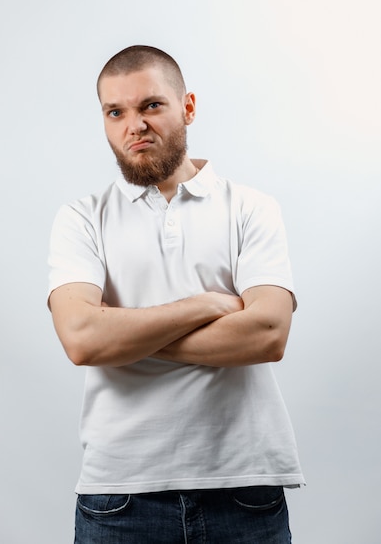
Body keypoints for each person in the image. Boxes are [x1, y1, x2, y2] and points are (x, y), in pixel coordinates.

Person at [48, 45, 304, 543]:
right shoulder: (81, 218)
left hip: (245, 490)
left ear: (187, 107)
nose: (134, 125)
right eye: (115, 112)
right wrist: (205, 305)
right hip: (119, 499)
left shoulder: (251, 208)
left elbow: (268, 333)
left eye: (151, 106)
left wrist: (122, 333)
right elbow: (82, 341)